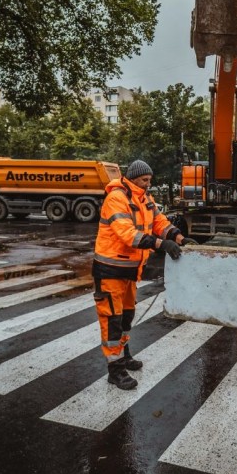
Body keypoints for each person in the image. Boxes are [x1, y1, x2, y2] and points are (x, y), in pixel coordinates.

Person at [92, 159, 192, 390]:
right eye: (145, 180)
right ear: (134, 178)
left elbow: (159, 221)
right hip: (110, 271)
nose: (148, 184)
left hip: (128, 271)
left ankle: (124, 356)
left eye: (149, 180)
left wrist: (177, 236)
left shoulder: (144, 198)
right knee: (112, 321)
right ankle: (114, 371)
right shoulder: (116, 198)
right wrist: (161, 245)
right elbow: (128, 235)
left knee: (126, 316)